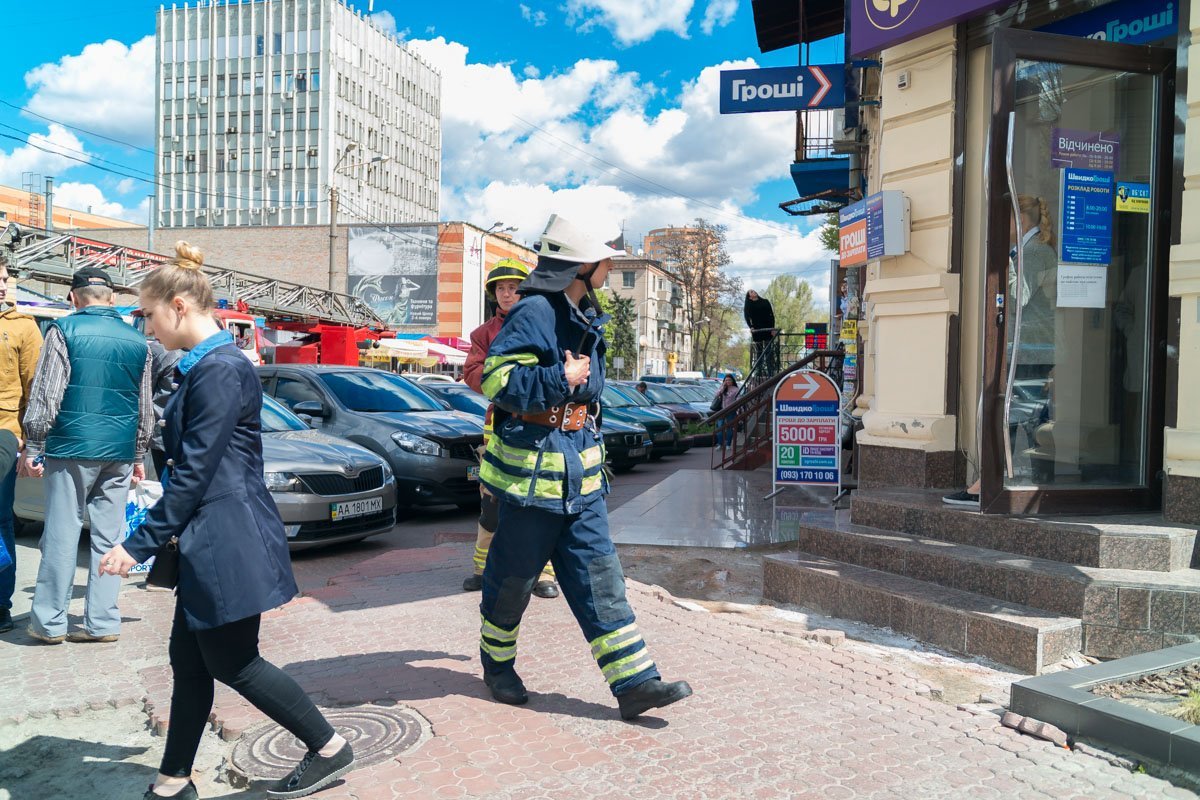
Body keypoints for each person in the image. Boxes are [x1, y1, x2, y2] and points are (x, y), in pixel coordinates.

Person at [98, 242, 355, 800]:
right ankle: (173, 781)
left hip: (224, 537)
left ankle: (330, 747)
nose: (148, 327)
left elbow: (194, 474)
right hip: (211, 536)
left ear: (180, 305)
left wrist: (137, 544)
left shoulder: (219, 369)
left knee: (235, 663)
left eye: (149, 314)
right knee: (189, 665)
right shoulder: (209, 367)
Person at [477, 214, 692, 720]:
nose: (611, 262)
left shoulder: (583, 311)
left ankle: (635, 685)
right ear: (582, 264)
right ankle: (497, 665)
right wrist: (561, 376)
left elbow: (588, 396)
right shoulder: (534, 311)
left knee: (601, 579)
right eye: (603, 257)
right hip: (532, 484)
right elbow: (495, 382)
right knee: (512, 582)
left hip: (582, 483)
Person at [21, 267, 153, 645]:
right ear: (111, 299)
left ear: (73, 298)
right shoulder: (136, 340)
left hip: (70, 447)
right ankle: (104, 623)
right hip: (120, 452)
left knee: (62, 535)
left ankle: (49, 624)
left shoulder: (64, 331)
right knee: (110, 539)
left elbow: (47, 394)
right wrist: (139, 451)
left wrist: (34, 444)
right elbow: (145, 406)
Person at [944, 194, 1057, 507]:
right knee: (1022, 415)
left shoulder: (1032, 252)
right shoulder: (1032, 250)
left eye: (1006, 217)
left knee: (1008, 414)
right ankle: (1009, 481)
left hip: (1030, 347)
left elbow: (1017, 298)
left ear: (1021, 219)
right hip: (1031, 346)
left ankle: (991, 484)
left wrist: (1004, 264)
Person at [461, 258, 558, 599]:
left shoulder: (547, 324)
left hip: (538, 426)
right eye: (500, 288)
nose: (506, 293)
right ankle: (482, 567)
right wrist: (509, 383)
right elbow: (473, 375)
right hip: (498, 428)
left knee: (539, 501)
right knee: (492, 504)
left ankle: (543, 574)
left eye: (513, 287)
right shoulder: (483, 333)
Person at [0, 256, 43, 634]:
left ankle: (0, 605)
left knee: (0, 522)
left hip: (4, 432)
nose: (2, 285)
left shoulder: (23, 327)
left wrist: (30, 443)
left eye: (5, 278)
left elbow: (36, 389)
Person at [147, 338, 184, 478]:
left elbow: (145, 390)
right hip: (166, 434)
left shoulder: (161, 350)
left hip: (164, 433)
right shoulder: (161, 350)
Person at [743, 290, 777, 371]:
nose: (753, 291)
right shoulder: (749, 305)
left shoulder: (765, 301)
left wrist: (772, 328)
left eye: (753, 291)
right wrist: (750, 327)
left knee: (769, 351)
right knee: (759, 352)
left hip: (768, 329)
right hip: (757, 331)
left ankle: (771, 371)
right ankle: (759, 371)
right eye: (751, 292)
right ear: (749, 296)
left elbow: (771, 315)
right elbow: (747, 317)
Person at [710, 375, 740, 448]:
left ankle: (728, 444)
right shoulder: (722, 388)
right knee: (720, 427)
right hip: (722, 410)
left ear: (732, 381)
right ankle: (720, 444)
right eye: (726, 380)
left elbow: (738, 399)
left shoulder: (736, 389)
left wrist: (738, 409)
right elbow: (716, 395)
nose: (728, 382)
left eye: (729, 380)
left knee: (729, 427)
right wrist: (723, 387)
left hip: (731, 410)